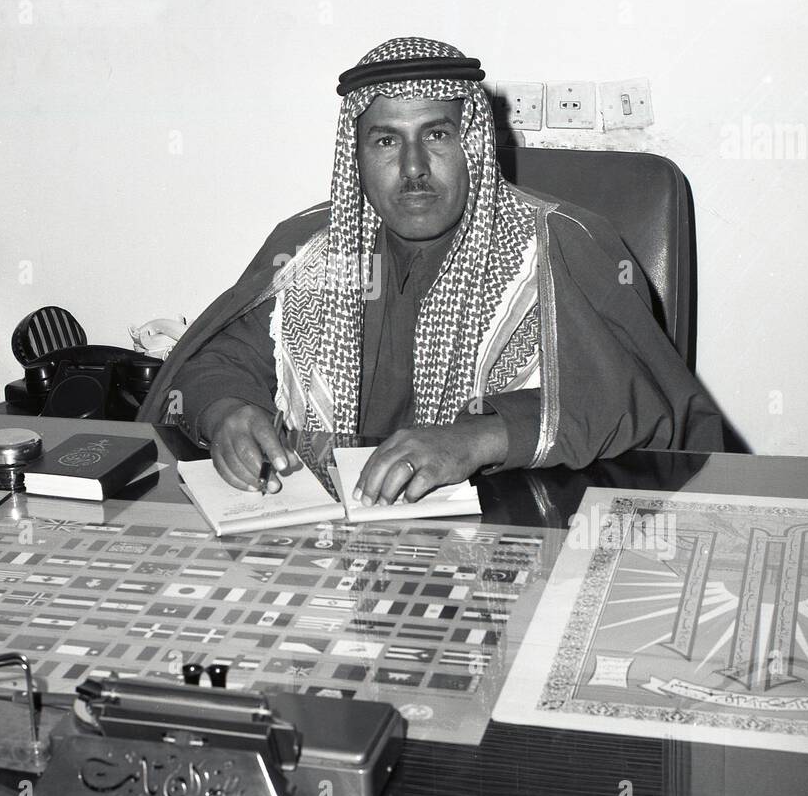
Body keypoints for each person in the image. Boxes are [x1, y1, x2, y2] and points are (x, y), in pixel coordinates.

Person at [139, 37, 723, 504]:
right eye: (387, 142)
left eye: (436, 135)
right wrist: (229, 415)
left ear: (470, 140)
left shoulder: (563, 247)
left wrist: (481, 437)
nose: (414, 168)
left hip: (512, 550)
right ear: (357, 156)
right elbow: (217, 362)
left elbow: (650, 407)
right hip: (330, 555)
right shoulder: (311, 251)